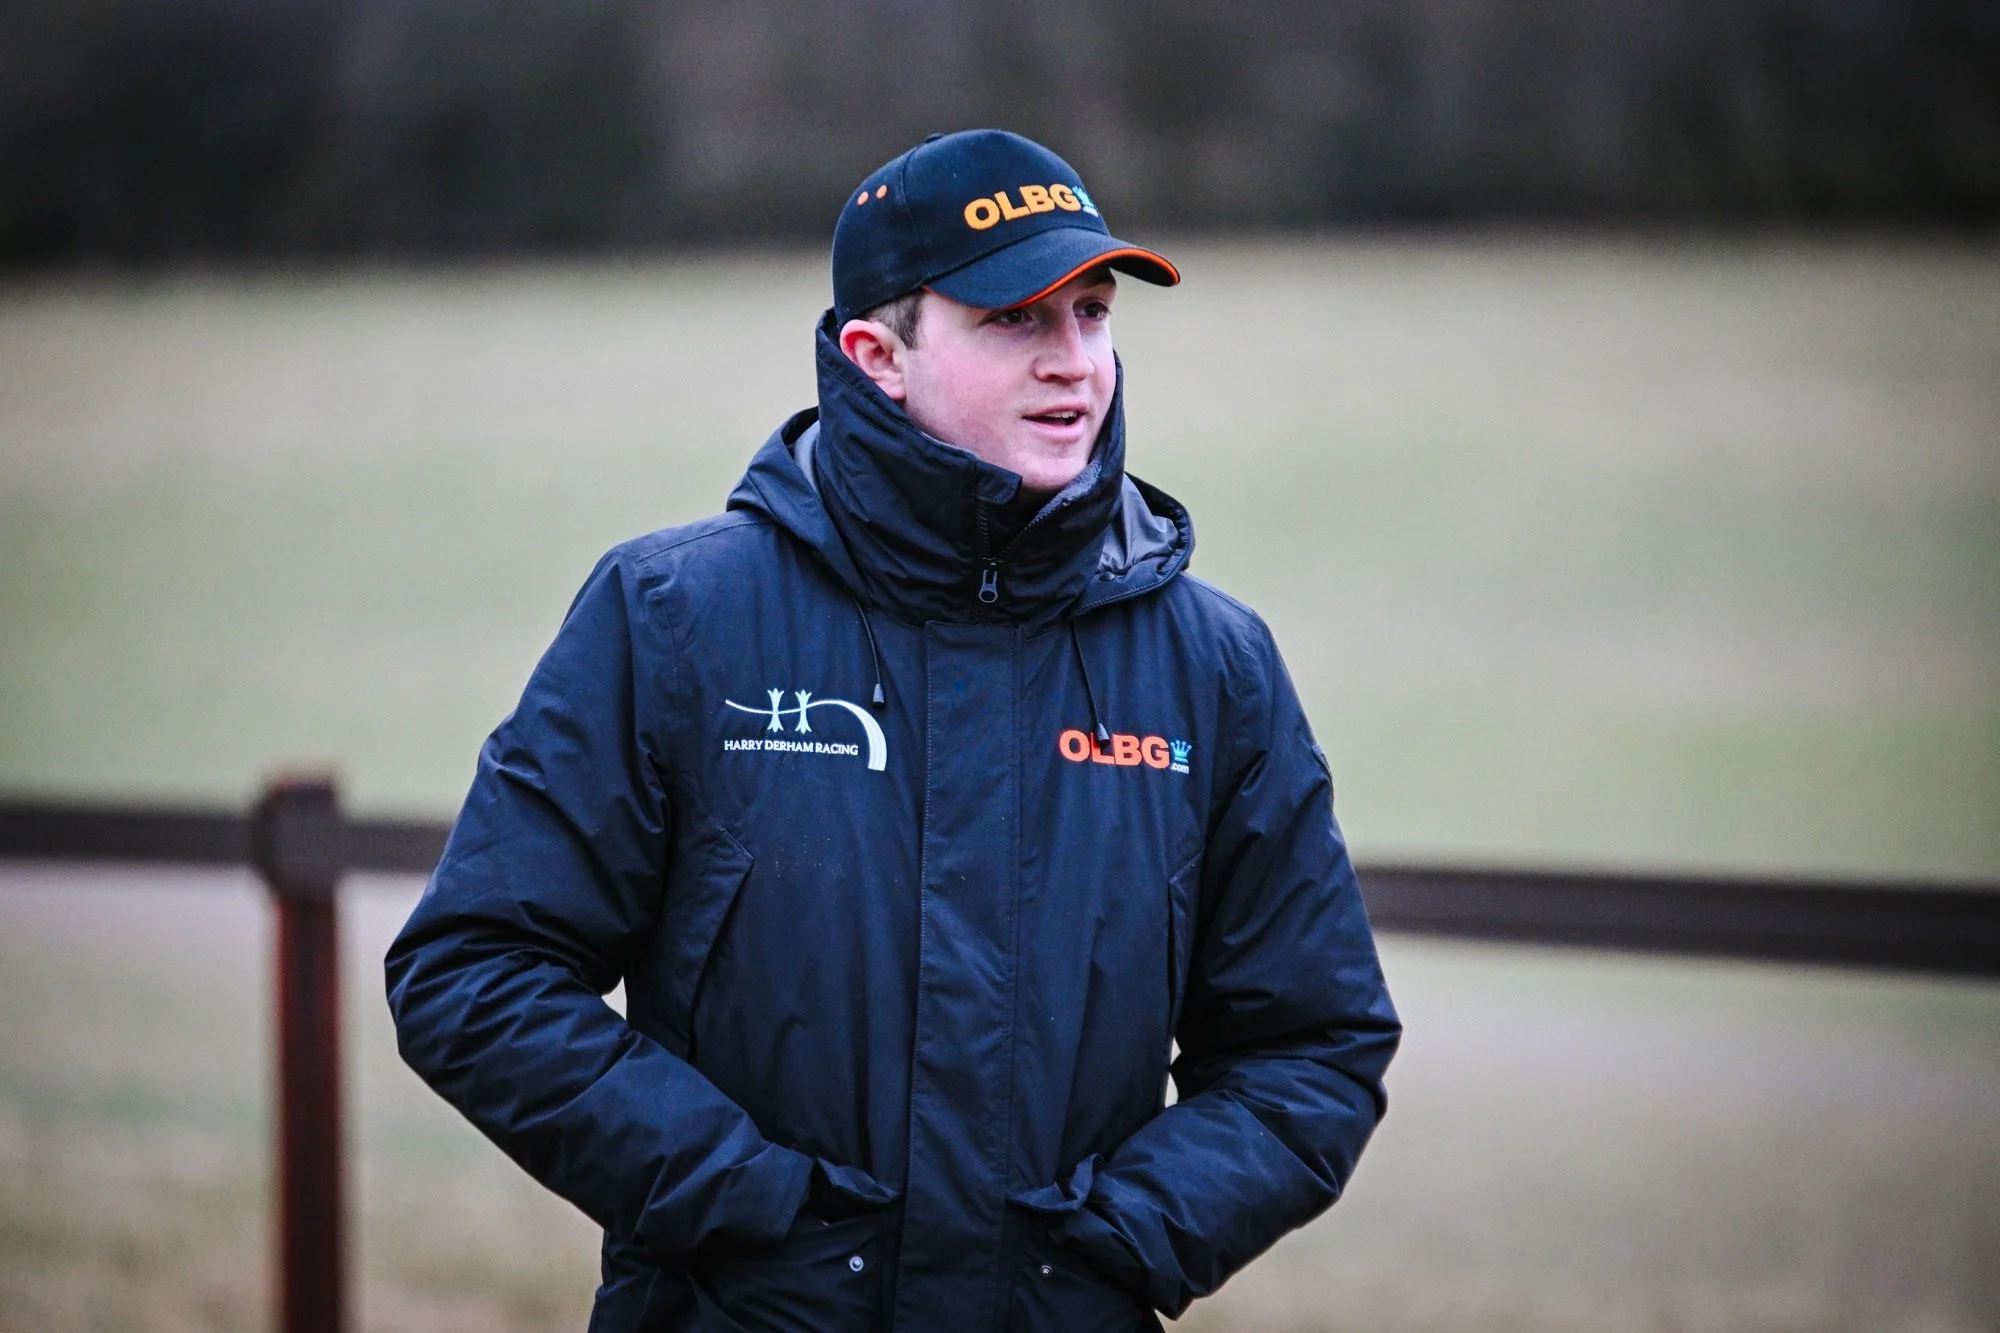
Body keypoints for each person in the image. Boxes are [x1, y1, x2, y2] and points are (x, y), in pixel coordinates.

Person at [385, 128, 1399, 1333]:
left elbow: (1316, 1043)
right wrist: (754, 1211)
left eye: (1090, 313)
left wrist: (1113, 1249)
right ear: (878, 355)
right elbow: (473, 974)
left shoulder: (1209, 665)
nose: (1074, 363)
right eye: (1013, 321)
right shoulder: (676, 620)